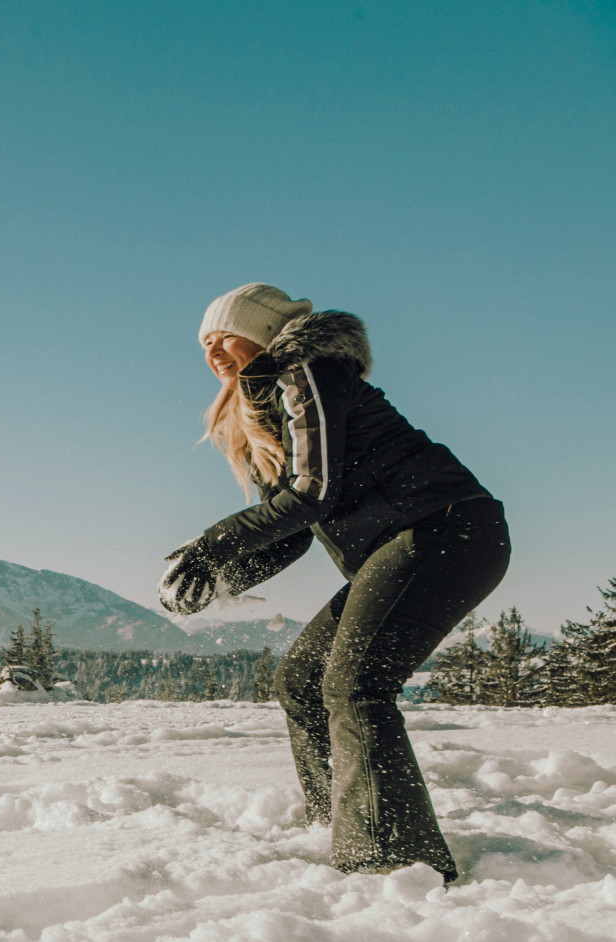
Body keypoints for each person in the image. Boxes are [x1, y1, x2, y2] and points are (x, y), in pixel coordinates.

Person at [159, 283, 507, 883]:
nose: (213, 348)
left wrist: (213, 543)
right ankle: (342, 822)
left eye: (226, 334)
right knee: (303, 681)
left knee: (355, 686)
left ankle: (391, 862)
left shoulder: (308, 371)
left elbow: (311, 494)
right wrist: (219, 574)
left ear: (265, 332)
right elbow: (293, 529)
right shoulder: (266, 402)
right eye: (204, 341)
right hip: (405, 545)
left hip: (445, 530)